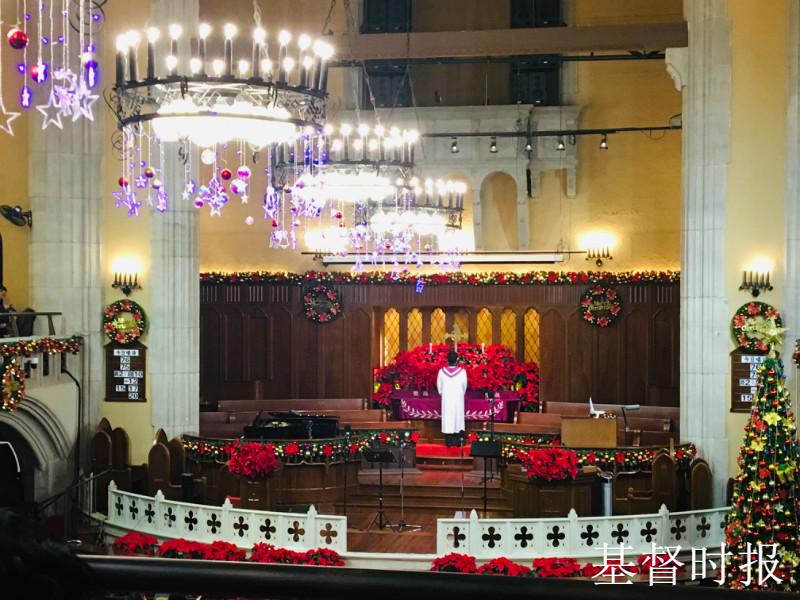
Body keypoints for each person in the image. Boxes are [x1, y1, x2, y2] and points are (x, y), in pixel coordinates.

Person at [437, 350, 467, 447]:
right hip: (458, 398)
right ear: (457, 360)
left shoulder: (441, 372)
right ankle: (458, 441)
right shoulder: (462, 372)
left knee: (448, 418)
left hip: (447, 399)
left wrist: (443, 393)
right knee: (458, 417)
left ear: (447, 360)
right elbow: (464, 386)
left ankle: (449, 441)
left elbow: (439, 388)